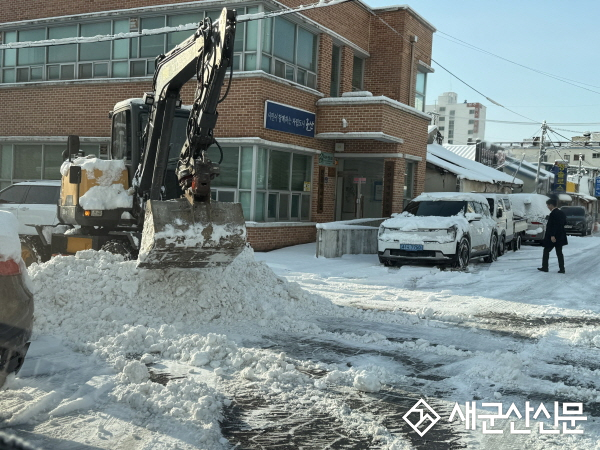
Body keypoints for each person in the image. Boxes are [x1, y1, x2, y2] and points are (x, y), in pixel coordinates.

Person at [538, 197, 568, 273]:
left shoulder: (553, 214)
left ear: (551, 205)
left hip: (553, 236)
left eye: (548, 205)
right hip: (560, 236)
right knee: (559, 252)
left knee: (546, 251)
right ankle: (562, 269)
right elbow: (564, 223)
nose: (548, 207)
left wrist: (552, 235)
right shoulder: (561, 213)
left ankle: (545, 267)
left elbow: (553, 225)